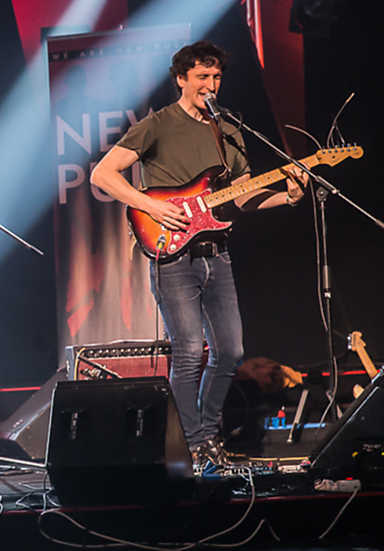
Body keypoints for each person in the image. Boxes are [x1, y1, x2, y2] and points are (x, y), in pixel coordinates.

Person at [90, 41, 306, 466]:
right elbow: (103, 174)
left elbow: (241, 198)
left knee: (231, 351)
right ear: (181, 79)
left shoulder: (229, 131)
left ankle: (206, 435)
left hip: (217, 253)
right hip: (172, 255)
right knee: (189, 350)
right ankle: (190, 444)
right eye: (202, 76)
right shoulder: (157, 125)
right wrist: (151, 206)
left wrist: (288, 196)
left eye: (217, 77)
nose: (211, 84)